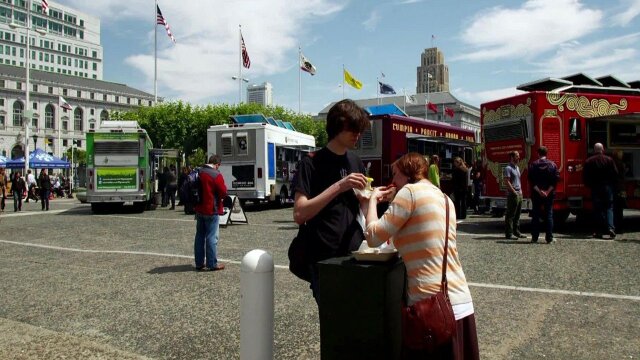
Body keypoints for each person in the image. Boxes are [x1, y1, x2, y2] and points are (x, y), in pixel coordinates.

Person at [361, 153, 479, 359]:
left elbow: (373, 237)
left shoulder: (409, 193)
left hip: (430, 307)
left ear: (408, 174)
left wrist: (371, 201)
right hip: (459, 301)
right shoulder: (443, 197)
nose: (393, 181)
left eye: (396, 174)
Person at [292, 99, 370, 303]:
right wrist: (340, 185)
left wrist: (372, 197)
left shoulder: (356, 161)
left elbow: (362, 205)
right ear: (337, 126)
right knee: (333, 325)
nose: (358, 135)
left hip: (355, 254)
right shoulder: (311, 163)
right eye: (353, 129)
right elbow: (300, 214)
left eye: (359, 130)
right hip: (324, 258)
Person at [193, 155, 227, 271]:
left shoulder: (199, 172)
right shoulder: (216, 175)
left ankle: (199, 263)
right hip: (211, 209)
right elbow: (223, 192)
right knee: (212, 237)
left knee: (199, 236)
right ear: (217, 164)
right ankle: (212, 263)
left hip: (199, 208)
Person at [583, 143, 618, 239]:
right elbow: (615, 174)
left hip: (595, 187)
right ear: (603, 149)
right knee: (609, 208)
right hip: (607, 187)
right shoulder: (609, 160)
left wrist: (589, 185)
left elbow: (585, 176)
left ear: (594, 150)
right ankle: (611, 228)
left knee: (597, 209)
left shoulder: (589, 161)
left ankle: (599, 231)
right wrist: (613, 185)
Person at [528, 146, 559, 244]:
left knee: (535, 215)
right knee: (549, 215)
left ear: (538, 153)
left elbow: (531, 181)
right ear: (546, 154)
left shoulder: (533, 165)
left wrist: (539, 191)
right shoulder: (552, 165)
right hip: (549, 194)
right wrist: (547, 191)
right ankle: (549, 237)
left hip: (536, 194)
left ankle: (534, 238)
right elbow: (555, 180)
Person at [504, 150, 526, 239]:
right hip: (513, 194)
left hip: (519, 193)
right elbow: (507, 181)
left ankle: (516, 232)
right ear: (512, 157)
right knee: (510, 214)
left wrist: (520, 191)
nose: (519, 157)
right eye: (517, 156)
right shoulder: (508, 168)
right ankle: (509, 234)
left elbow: (518, 181)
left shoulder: (516, 167)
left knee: (517, 214)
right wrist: (513, 191)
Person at [612, 150, 626, 234]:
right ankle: (620, 227)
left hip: (615, 187)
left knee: (614, 208)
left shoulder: (613, 164)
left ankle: (615, 226)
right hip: (622, 188)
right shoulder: (622, 164)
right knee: (620, 210)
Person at [452, 156, 468, 221]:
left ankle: (458, 215)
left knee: (457, 202)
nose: (454, 163)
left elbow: (455, 180)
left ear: (457, 162)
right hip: (464, 188)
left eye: (455, 162)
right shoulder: (465, 169)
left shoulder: (456, 170)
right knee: (464, 202)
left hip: (458, 187)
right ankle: (464, 215)